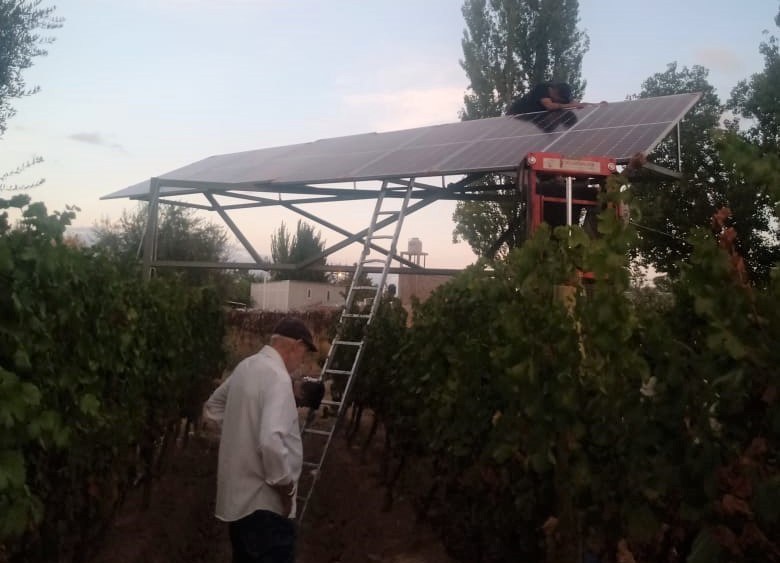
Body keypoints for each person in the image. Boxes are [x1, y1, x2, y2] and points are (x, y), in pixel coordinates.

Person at [204, 316, 322, 563]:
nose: (301, 362)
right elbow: (270, 441)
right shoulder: (278, 378)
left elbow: (213, 407)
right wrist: (285, 487)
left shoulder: (246, 367)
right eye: (304, 354)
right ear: (296, 345)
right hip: (265, 507)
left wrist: (241, 434)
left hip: (238, 505)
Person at [506, 82, 588, 115]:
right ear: (554, 90)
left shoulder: (562, 97)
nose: (558, 101)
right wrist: (568, 105)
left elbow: (573, 103)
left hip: (532, 119)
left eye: (561, 100)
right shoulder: (542, 88)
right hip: (516, 115)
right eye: (558, 98)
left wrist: (596, 105)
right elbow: (550, 106)